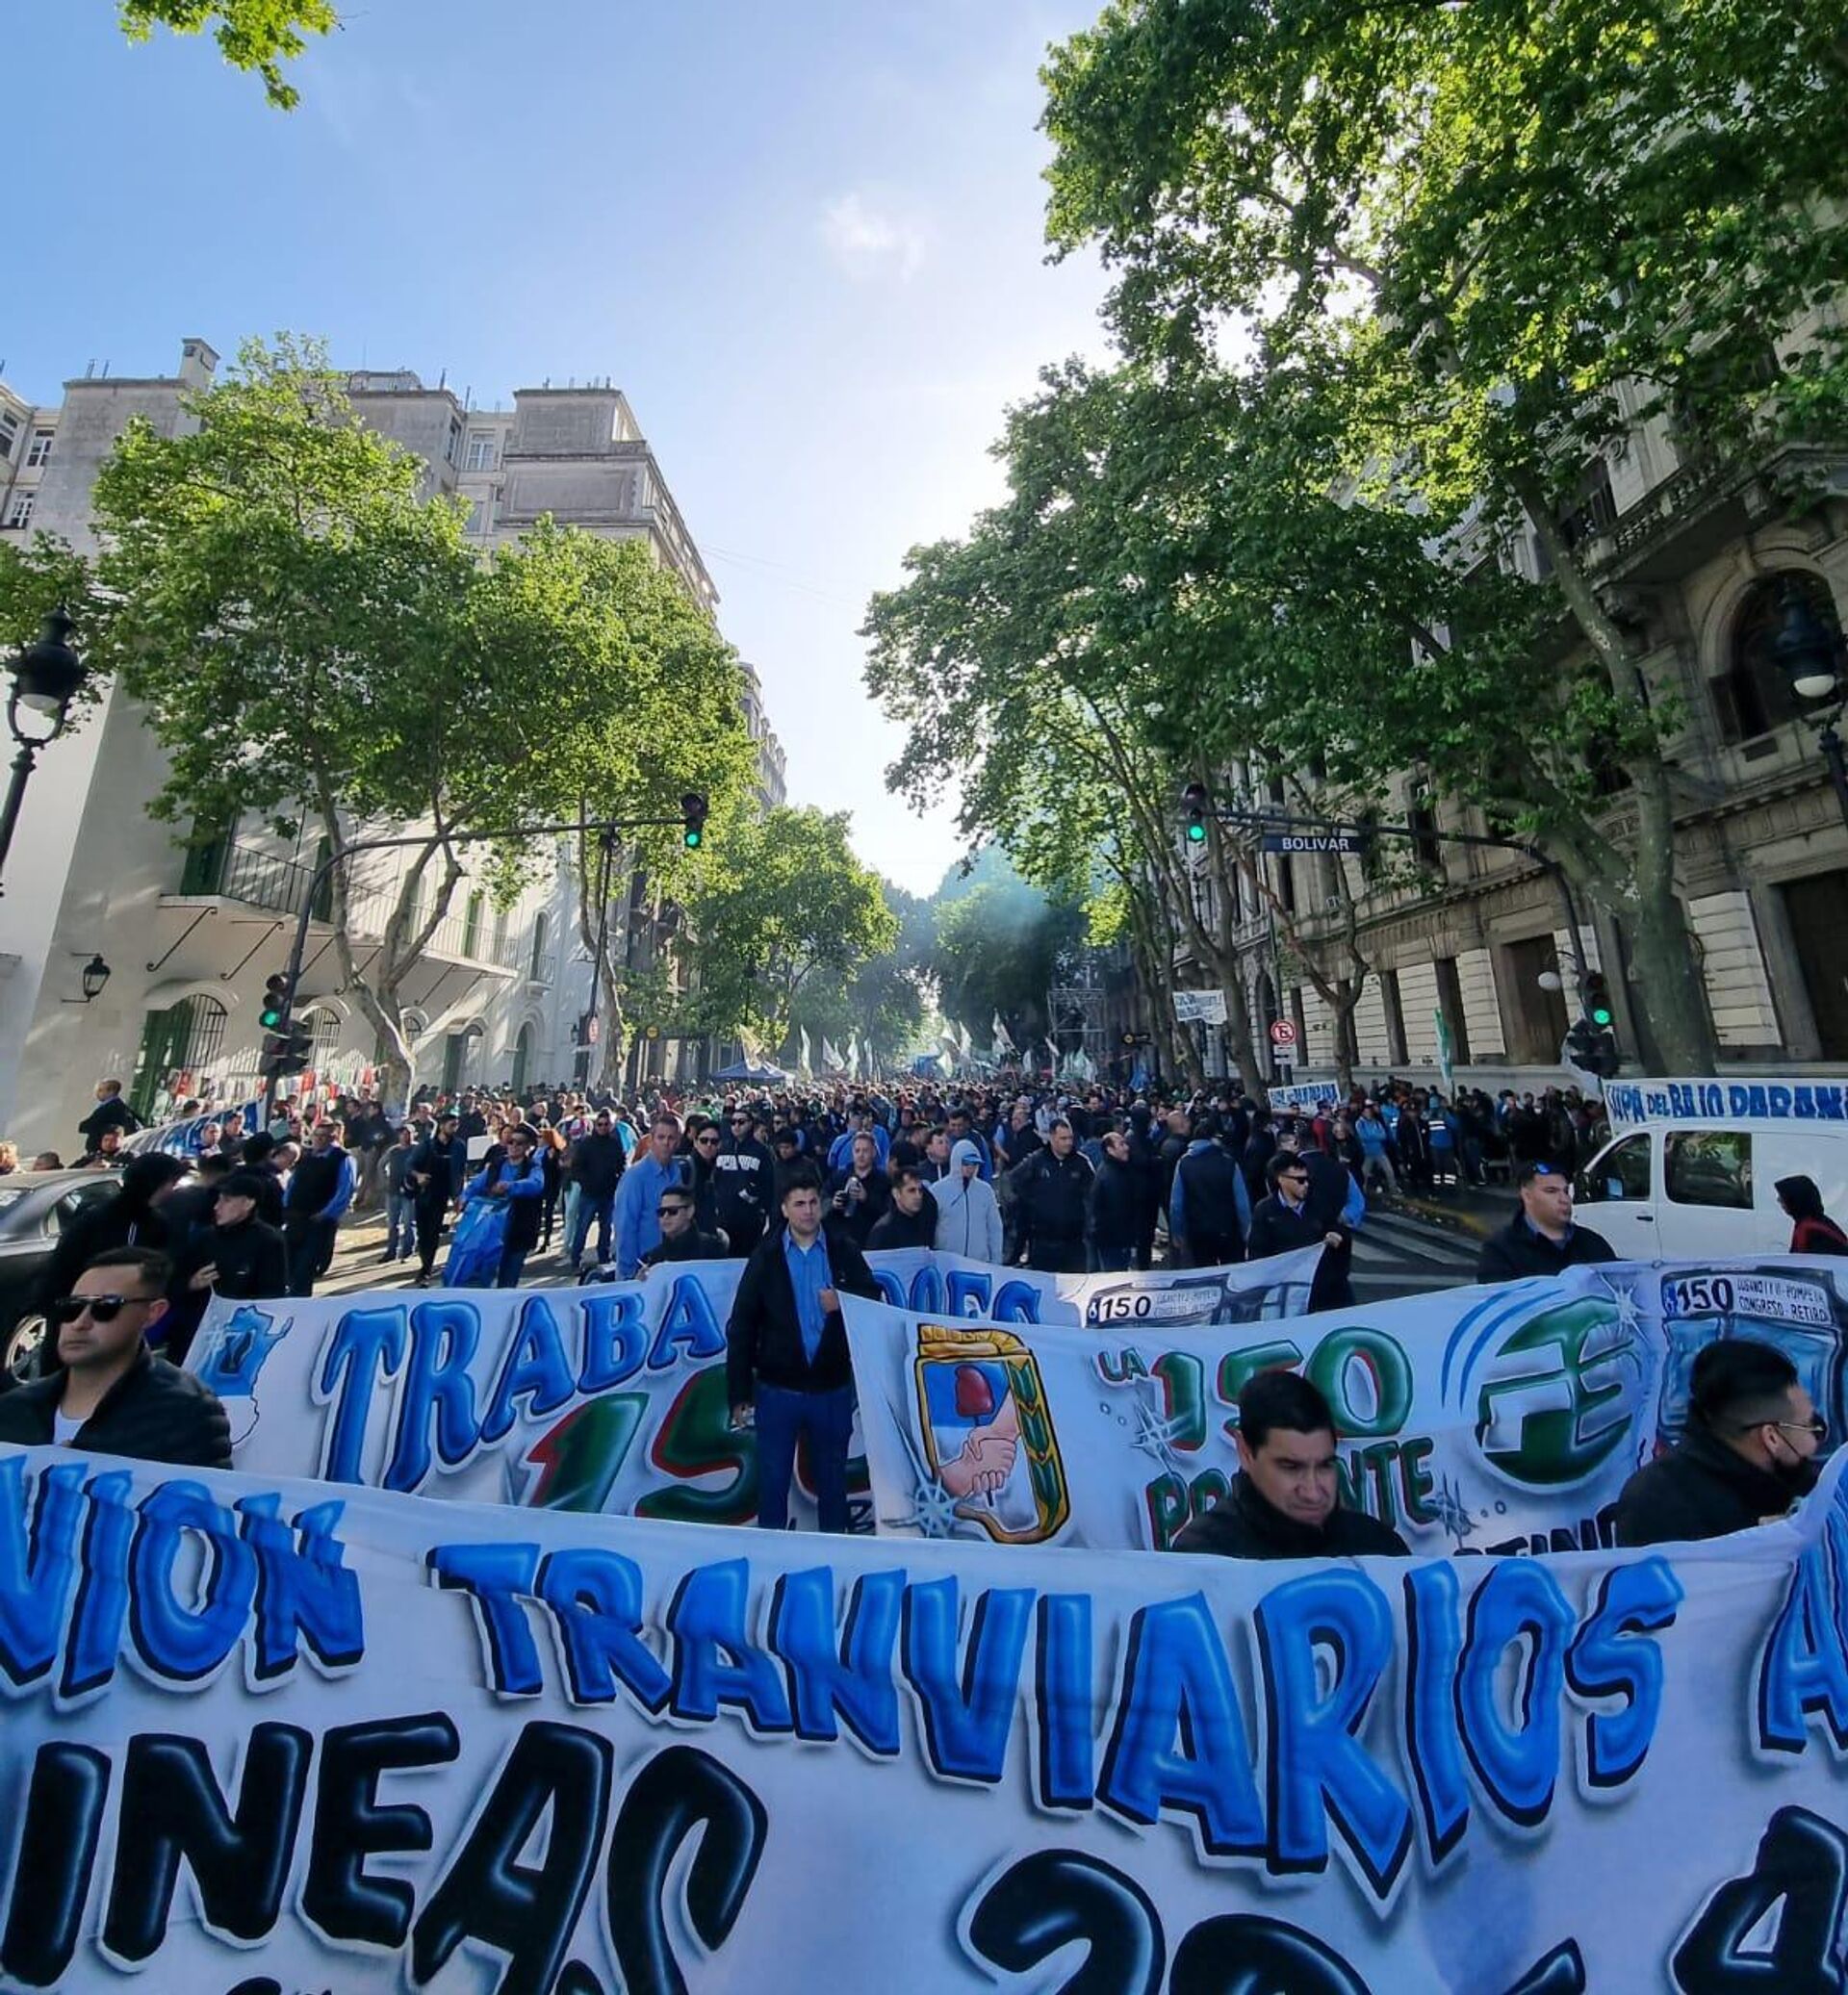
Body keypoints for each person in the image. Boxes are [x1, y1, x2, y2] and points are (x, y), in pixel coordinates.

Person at [726, 1170, 882, 1533]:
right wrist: (738, 1393)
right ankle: (773, 1569)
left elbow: (875, 1298)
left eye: (813, 1202)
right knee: (773, 1485)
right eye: (799, 1204)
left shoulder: (843, 1249)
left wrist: (842, 1299)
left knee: (832, 1486)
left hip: (831, 1389)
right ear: (785, 1208)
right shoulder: (765, 1256)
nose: (808, 1211)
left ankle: (831, 1564)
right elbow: (743, 1325)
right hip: (778, 1390)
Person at [0, 1248, 232, 1469]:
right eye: (72, 1308)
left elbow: (205, 1505)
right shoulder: (16, 1407)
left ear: (153, 1313)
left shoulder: (185, 1413)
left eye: (105, 1307)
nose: (80, 1323)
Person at [1173, 1369, 1409, 1559]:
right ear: (1245, 1452)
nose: (1313, 1492)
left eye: (1325, 1466)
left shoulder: (1379, 1547)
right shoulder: (1203, 1556)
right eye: (1291, 1468)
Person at [1614, 1340, 1825, 1547]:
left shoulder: (1810, 1487)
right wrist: (1761, 1544)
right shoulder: (1656, 1502)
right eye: (1812, 1427)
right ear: (1772, 1438)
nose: (1815, 1443)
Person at [1475, 1161, 1617, 1282]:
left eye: (1566, 1191)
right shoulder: (1500, 1250)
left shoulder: (1593, 1243)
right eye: (1551, 1191)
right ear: (1527, 1196)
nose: (1564, 1199)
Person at [459, 1122, 546, 1290]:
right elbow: (476, 1184)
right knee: (479, 1276)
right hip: (490, 1231)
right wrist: (464, 1197)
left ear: (527, 1146)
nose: (513, 1146)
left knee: (508, 1279)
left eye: (519, 1143)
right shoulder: (497, 1164)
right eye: (511, 1142)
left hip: (517, 1231)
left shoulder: (533, 1167)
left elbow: (536, 1184)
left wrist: (510, 1186)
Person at [281, 1118, 355, 1297]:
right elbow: (293, 1183)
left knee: (305, 1268)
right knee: (288, 1263)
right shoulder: (307, 1157)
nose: (320, 1140)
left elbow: (345, 1190)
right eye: (317, 1135)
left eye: (325, 1136)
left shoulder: (342, 1158)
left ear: (333, 1137)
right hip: (295, 1218)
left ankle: (300, 1303)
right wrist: (285, 1205)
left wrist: (326, 1214)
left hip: (319, 1221)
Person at [1008, 1119, 1094, 1272]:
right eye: (1063, 1138)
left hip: (1074, 1241)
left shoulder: (1081, 1163)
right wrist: (1032, 1203)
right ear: (1052, 1138)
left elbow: (1093, 1194)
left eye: (1070, 1138)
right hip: (1043, 1241)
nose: (1068, 1143)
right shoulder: (1037, 1161)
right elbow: (1014, 1180)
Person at [611, 1113, 689, 1278]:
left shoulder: (677, 1172)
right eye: (661, 1137)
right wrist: (629, 1274)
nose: (666, 1143)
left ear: (679, 1141)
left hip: (671, 1266)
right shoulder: (635, 1177)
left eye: (671, 1138)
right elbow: (625, 1228)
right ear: (651, 1139)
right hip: (642, 1271)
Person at [1168, 1114, 1249, 1267]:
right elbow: (1242, 1202)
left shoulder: (1184, 1163)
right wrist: (1247, 1230)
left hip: (1198, 1231)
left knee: (1205, 1272)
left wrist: (1177, 1232)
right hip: (1228, 1229)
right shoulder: (1229, 1162)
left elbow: (1176, 1204)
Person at [1245, 1152, 1343, 1263]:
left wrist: (1335, 1235)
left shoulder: (1319, 1204)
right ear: (1281, 1179)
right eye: (1300, 1180)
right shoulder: (1265, 1210)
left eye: (1307, 1179)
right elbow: (1257, 1250)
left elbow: (1335, 1228)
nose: (1306, 1184)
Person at [565, 1110, 628, 1274]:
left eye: (606, 1124)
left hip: (608, 1193)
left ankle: (604, 1259)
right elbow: (576, 1167)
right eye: (600, 1124)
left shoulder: (615, 1143)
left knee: (606, 1229)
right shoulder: (587, 1144)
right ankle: (575, 1260)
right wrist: (586, 1182)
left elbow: (622, 1163)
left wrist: (618, 1177)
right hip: (589, 1193)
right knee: (582, 1228)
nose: (603, 1127)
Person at [408, 1111, 466, 1286]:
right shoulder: (427, 1145)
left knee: (433, 1232)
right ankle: (424, 1261)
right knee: (422, 1231)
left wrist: (458, 1196)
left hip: (441, 1196)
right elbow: (410, 1164)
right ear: (442, 1126)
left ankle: (426, 1267)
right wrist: (418, 1176)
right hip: (424, 1193)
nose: (454, 1128)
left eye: (456, 1125)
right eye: (451, 1125)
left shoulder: (459, 1146)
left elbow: (460, 1172)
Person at [713, 1106, 777, 1257]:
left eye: (741, 1122)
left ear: (750, 1124)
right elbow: (715, 1178)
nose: (736, 1126)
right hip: (723, 1217)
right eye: (733, 1122)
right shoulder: (723, 1148)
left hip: (750, 1219)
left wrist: (762, 1206)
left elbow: (769, 1183)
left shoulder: (762, 1151)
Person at [929, 1138, 1005, 1262]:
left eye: (974, 1164)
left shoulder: (985, 1191)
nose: (970, 1168)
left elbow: (994, 1228)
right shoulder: (937, 1191)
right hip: (947, 1264)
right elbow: (930, 1228)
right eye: (966, 1163)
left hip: (979, 1263)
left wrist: (996, 1260)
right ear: (956, 1161)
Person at [825, 1131, 891, 1251]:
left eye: (865, 1151)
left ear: (874, 1152)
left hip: (873, 1243)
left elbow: (889, 1212)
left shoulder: (884, 1181)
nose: (861, 1155)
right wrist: (832, 1204)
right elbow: (822, 1201)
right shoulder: (838, 1177)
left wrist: (867, 1199)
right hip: (842, 1242)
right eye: (857, 1151)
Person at [1087, 1126, 1141, 1271]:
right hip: (1113, 1240)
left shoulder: (1118, 1169)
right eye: (1121, 1144)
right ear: (1110, 1150)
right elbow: (1120, 1210)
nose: (1126, 1148)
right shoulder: (1111, 1175)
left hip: (1115, 1239)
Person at [641, 1185, 730, 1267]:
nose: (665, 1217)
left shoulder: (713, 1249)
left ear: (689, 1211)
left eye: (673, 1211)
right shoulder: (654, 1257)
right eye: (661, 1212)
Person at [867, 1165, 937, 1249]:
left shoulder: (924, 1223)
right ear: (896, 1194)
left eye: (920, 1191)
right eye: (911, 1191)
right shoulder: (883, 1230)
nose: (918, 1196)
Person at [1778, 1175, 1848, 1256]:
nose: (1779, 1200)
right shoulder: (1816, 1222)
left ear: (1796, 1200)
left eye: (1783, 1197)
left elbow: (1803, 1264)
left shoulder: (1812, 1231)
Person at [381, 1123, 420, 1264]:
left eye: (408, 1133)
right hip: (393, 1190)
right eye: (402, 1133)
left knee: (409, 1222)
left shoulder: (417, 1149)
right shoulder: (393, 1151)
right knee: (392, 1223)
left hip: (410, 1190)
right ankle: (391, 1250)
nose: (404, 1136)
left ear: (413, 1134)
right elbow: (381, 1165)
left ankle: (408, 1250)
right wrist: (385, 1180)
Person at [77, 1078, 141, 1152]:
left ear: (111, 1092)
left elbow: (92, 1124)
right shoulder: (118, 1106)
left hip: (102, 1150)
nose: (97, 1093)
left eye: (101, 1090)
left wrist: (83, 1125)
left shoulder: (110, 1107)